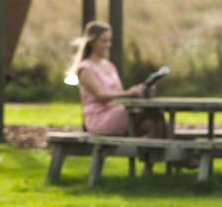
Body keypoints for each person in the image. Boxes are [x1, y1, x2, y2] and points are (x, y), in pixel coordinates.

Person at [68, 20, 166, 176]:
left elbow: (118, 93)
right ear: (92, 42)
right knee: (152, 115)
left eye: (109, 40)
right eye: (104, 41)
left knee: (155, 121)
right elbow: (101, 95)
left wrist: (140, 92)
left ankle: (150, 167)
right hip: (99, 118)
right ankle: (160, 162)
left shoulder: (109, 66)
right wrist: (129, 93)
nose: (108, 45)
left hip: (117, 112)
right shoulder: (85, 69)